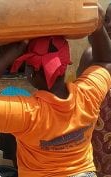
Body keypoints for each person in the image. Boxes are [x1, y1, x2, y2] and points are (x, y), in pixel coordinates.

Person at [0, 7, 111, 177]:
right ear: (67, 63)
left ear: (31, 72)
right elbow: (105, 61)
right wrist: (98, 27)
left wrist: (7, 56)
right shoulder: (88, 94)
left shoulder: (28, 114)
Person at [77, 4, 111, 176]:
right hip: (98, 138)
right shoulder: (91, 55)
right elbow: (78, 100)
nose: (110, 25)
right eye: (107, 19)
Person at [0, 86, 31, 169]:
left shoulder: (3, 96)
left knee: (17, 160)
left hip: (11, 132)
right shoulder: (26, 97)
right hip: (20, 131)